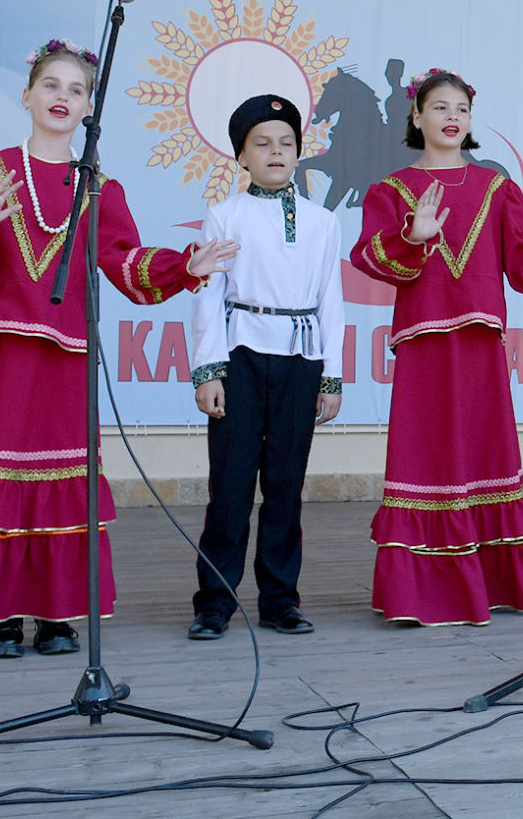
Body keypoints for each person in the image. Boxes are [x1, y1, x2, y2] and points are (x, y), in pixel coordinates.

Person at [0, 38, 236, 657]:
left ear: (89, 111)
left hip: (69, 361)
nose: (62, 96)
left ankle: (56, 614)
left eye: (76, 90)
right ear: (26, 95)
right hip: (7, 356)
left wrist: (189, 263)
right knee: (1, 473)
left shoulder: (100, 188)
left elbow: (126, 264)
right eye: (51, 85)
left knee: (63, 479)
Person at [352, 68, 523, 625]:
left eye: (461, 110)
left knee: (485, 452)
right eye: (439, 108)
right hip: (423, 345)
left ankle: (496, 582)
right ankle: (421, 593)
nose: (451, 118)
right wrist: (412, 237)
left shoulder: (497, 188)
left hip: (482, 346)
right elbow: (369, 259)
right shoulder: (390, 190)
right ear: (416, 116)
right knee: (426, 454)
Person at [185, 95, 345, 641]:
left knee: (285, 485)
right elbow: (209, 296)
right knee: (230, 484)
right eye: (262, 143)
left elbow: (332, 300)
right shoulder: (225, 215)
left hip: (300, 359)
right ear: (241, 156)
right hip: (241, 357)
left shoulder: (324, 223)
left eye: (286, 143)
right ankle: (214, 602)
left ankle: (280, 599)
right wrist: (208, 370)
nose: (276, 152)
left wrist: (331, 375)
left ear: (300, 152)